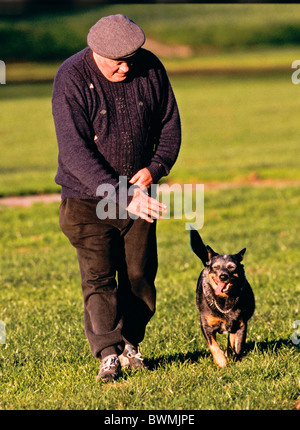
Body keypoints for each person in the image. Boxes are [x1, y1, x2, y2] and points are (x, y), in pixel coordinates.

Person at [52, 14, 181, 382]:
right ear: (96, 52)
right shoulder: (72, 77)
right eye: (116, 62)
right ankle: (108, 354)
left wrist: (156, 167)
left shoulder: (151, 68)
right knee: (98, 278)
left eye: (131, 58)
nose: (126, 68)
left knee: (140, 275)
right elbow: (75, 152)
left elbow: (170, 125)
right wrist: (121, 194)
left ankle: (131, 344)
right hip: (86, 199)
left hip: (138, 194)